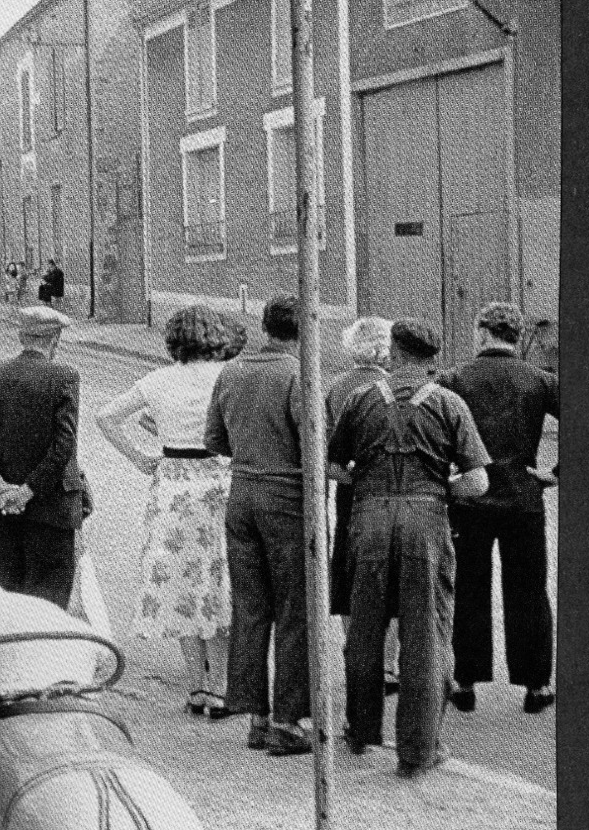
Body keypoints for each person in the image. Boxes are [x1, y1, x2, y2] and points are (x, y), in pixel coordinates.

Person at [329, 320, 491, 777]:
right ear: (432, 358)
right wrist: (441, 488)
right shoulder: (449, 403)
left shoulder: (362, 400)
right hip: (426, 520)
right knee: (426, 633)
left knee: (365, 628)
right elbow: (478, 482)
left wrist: (365, 481)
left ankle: (360, 731)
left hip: (369, 518)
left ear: (393, 355)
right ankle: (419, 750)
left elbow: (332, 464)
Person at [97, 305, 247, 718]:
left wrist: (139, 456)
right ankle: (220, 686)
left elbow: (107, 416)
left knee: (180, 581)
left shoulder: (157, 380)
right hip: (217, 481)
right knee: (217, 581)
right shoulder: (226, 377)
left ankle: (197, 685)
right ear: (216, 339)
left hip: (172, 484)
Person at [202, 294, 311, 756]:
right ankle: (288, 721)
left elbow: (213, 440)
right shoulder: (296, 374)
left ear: (266, 327)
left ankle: (256, 716)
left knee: (250, 608)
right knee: (294, 608)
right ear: (302, 329)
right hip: (284, 498)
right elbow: (313, 443)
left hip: (241, 494)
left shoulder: (231, 371)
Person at [440, 301, 560, 715]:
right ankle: (536, 684)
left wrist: (450, 477)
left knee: (469, 588)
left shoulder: (454, 379)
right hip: (523, 497)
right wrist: (556, 473)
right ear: (515, 335)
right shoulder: (539, 380)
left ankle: (466, 680)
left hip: (471, 498)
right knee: (529, 591)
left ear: (482, 331)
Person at [0, 306, 83, 609]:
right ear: (55, 339)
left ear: (21, 336)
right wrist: (27, 492)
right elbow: (63, 446)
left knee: (7, 600)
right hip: (50, 509)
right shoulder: (64, 376)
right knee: (48, 606)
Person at [327, 316, 401, 694]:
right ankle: (387, 664)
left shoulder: (336, 387)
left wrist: (351, 477)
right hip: (391, 489)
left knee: (347, 572)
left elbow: (324, 456)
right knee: (387, 573)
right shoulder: (394, 385)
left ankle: (355, 649)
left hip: (350, 493)